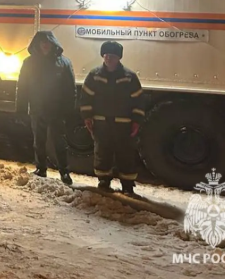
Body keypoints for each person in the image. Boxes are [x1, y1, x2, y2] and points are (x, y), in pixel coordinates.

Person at [78, 41, 144, 195]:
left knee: (126, 154)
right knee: (102, 153)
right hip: (101, 123)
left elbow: (139, 101)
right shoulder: (94, 75)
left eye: (112, 56)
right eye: (106, 55)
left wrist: (136, 121)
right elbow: (86, 98)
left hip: (124, 125)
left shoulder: (129, 77)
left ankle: (127, 185)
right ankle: (104, 181)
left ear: (119, 58)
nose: (109, 58)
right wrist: (87, 117)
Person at [17, 31, 77, 185]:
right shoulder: (29, 63)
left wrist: (69, 110)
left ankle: (64, 172)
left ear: (53, 43)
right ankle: (41, 168)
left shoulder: (64, 63)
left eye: (48, 42)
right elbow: (22, 87)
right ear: (37, 44)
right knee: (39, 141)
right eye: (42, 42)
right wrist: (21, 110)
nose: (45, 45)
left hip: (57, 110)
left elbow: (70, 89)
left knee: (60, 142)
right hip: (37, 109)